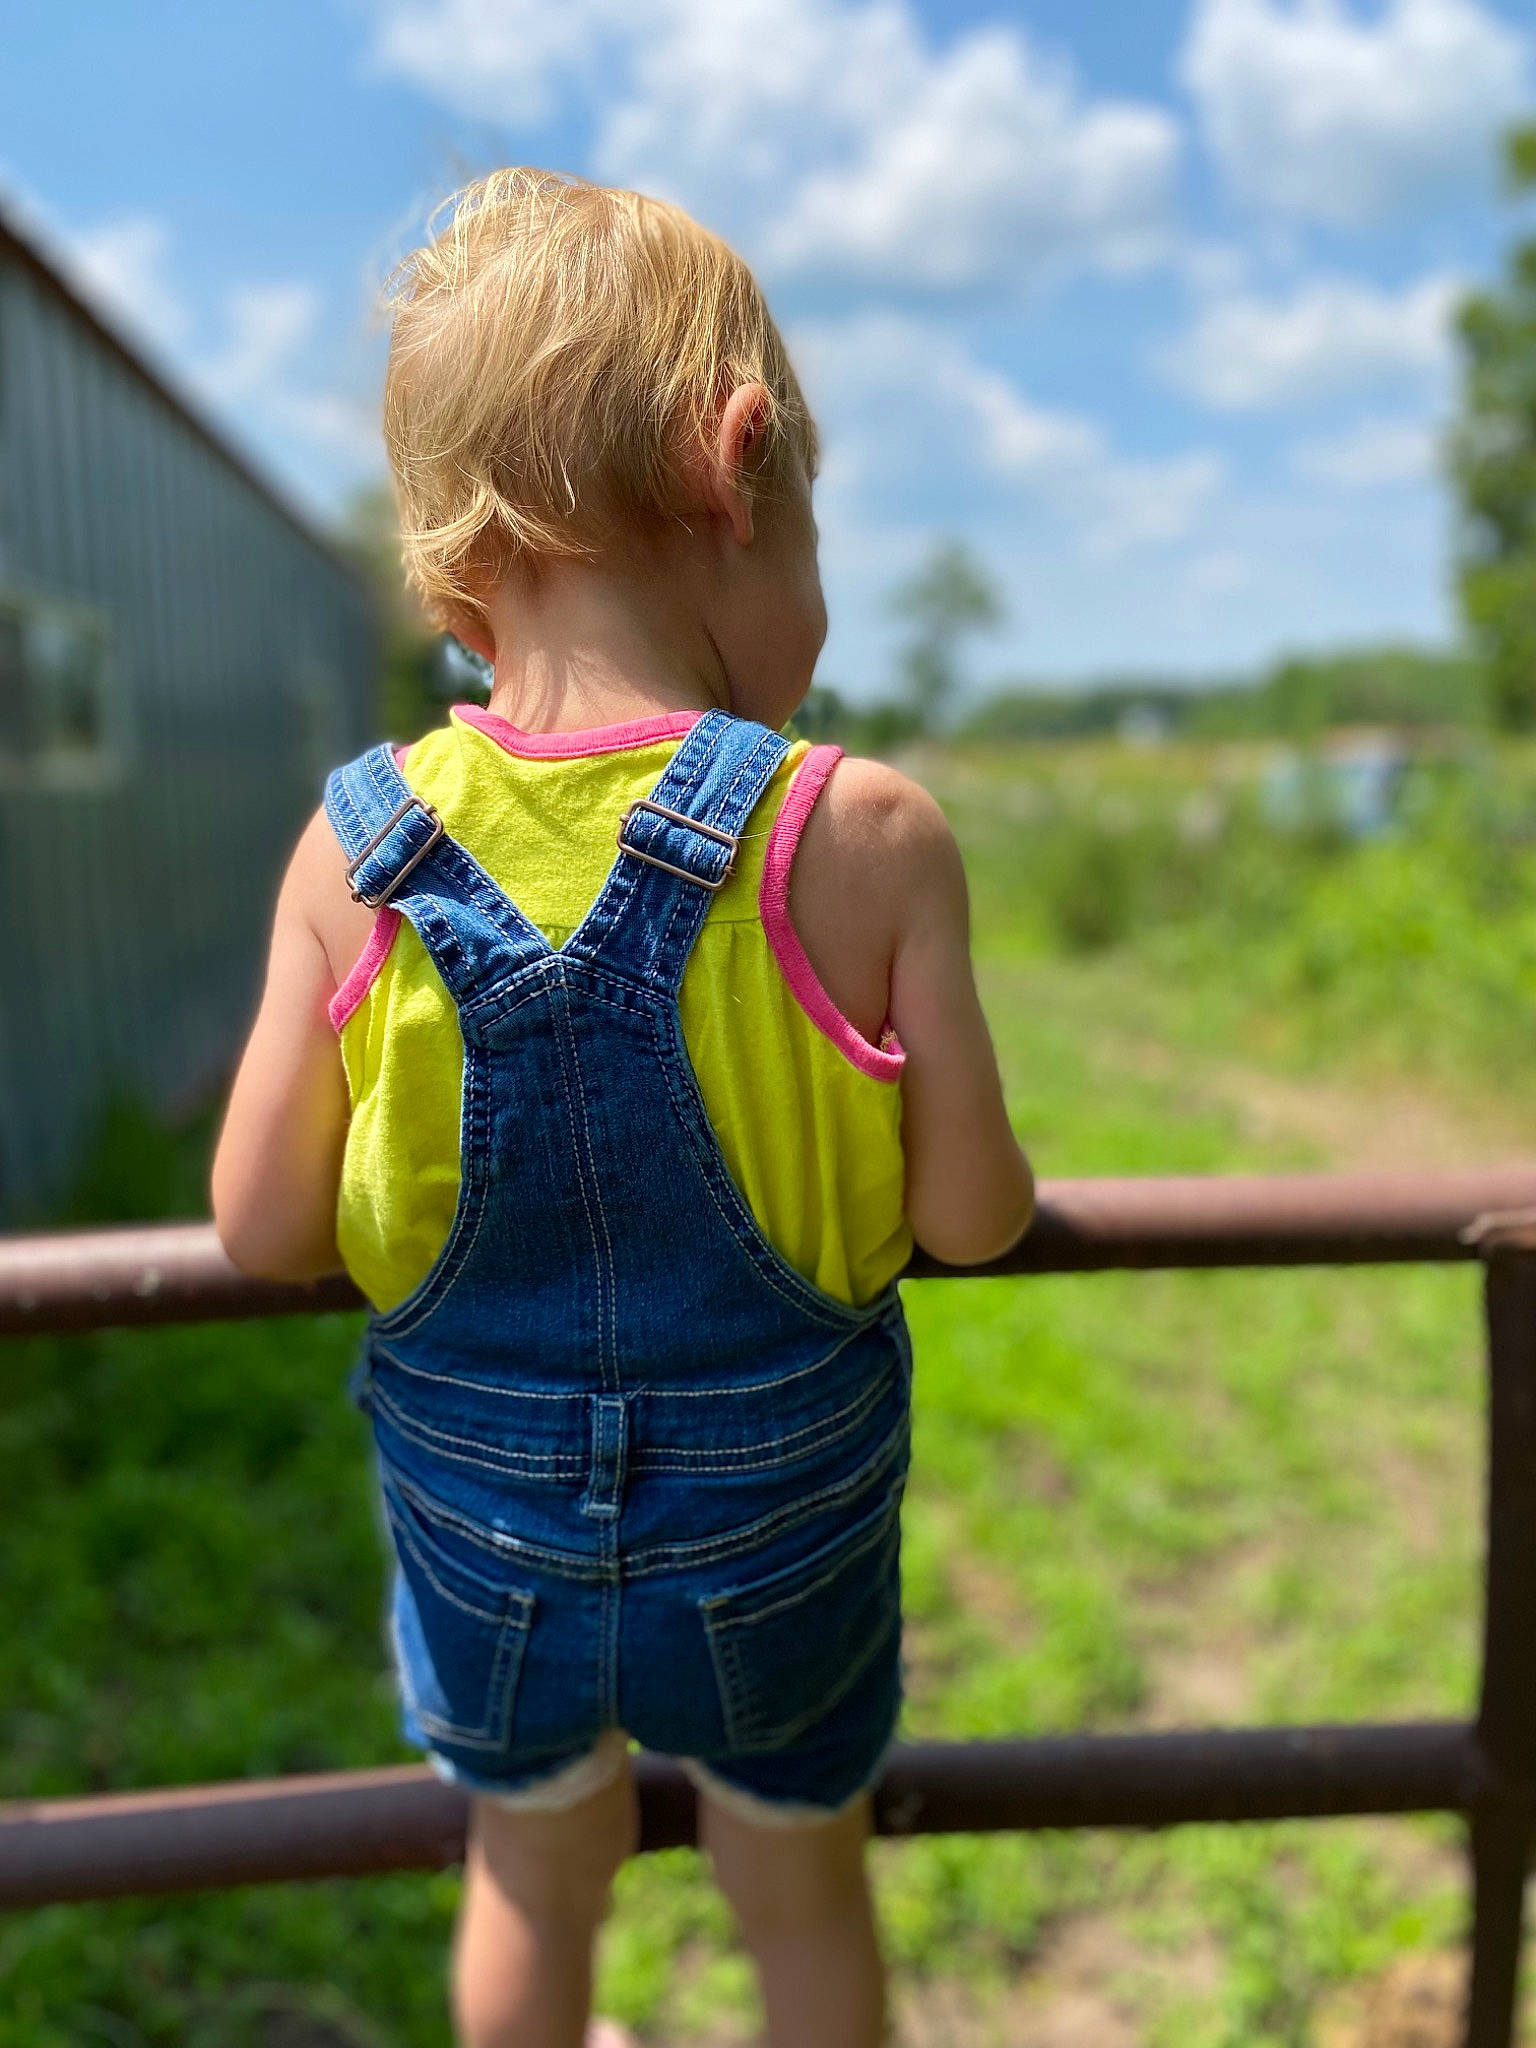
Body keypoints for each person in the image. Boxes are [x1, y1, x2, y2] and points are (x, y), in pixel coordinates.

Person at [212, 167, 1033, 2048]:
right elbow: (975, 1219)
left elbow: (263, 1229)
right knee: (800, 1887)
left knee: (527, 1872)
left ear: (446, 571)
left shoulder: (353, 853)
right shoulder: (864, 833)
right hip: (784, 1540)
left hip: (481, 1535)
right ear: (740, 460)